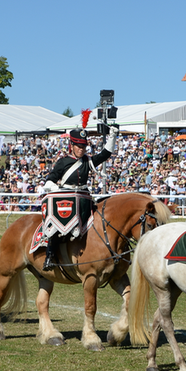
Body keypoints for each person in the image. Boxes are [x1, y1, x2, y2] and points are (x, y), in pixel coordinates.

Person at [40, 111, 118, 270]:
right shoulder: (63, 162)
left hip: (84, 197)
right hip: (66, 198)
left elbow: (105, 154)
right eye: (79, 146)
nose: (82, 149)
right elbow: (49, 180)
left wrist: (113, 136)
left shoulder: (88, 161)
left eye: (84, 146)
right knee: (57, 222)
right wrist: (57, 189)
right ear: (72, 146)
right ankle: (49, 256)